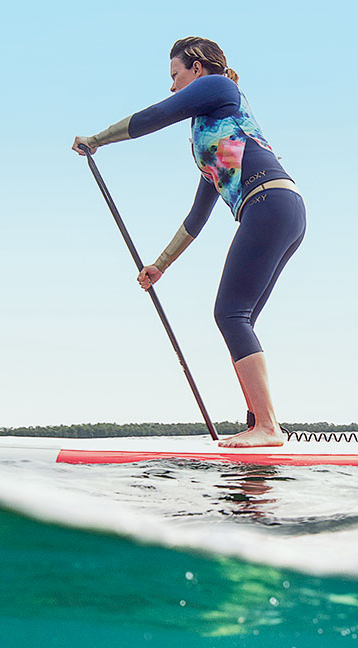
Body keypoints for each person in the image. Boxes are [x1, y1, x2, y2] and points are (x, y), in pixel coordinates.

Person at [73, 37, 305, 449]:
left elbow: (156, 116)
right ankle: (259, 423)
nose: (173, 86)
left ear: (198, 68)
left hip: (269, 204)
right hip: (280, 208)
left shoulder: (220, 87)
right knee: (239, 317)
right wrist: (159, 265)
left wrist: (98, 138)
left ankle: (268, 427)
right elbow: (197, 217)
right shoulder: (220, 139)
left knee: (230, 313)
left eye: (175, 75)